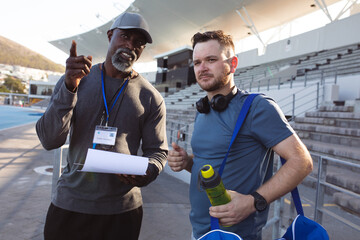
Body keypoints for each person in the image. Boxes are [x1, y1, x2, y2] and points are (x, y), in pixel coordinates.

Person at [167, 30, 313, 240]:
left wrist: (254, 201)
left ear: (233, 64)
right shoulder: (203, 110)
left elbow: (302, 161)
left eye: (211, 60)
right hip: (200, 233)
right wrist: (187, 162)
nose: (202, 68)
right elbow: (208, 166)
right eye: (197, 62)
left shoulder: (257, 108)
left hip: (237, 235)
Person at [36, 12, 168, 240]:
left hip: (122, 212)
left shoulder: (151, 96)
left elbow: (158, 152)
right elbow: (50, 140)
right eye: (125, 36)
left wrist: (149, 171)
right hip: (70, 206)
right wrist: (69, 88)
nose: (130, 46)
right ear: (110, 36)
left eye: (139, 43)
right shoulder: (76, 78)